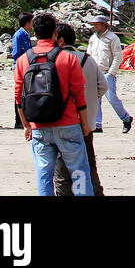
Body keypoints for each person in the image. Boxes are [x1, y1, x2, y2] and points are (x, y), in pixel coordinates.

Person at [14, 13, 93, 196]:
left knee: (44, 174)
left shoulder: (23, 61)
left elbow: (19, 98)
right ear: (55, 32)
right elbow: (78, 95)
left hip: (39, 126)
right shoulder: (68, 58)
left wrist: (26, 125)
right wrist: (85, 123)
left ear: (34, 33)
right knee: (79, 172)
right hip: (68, 124)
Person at [54, 24, 106, 197]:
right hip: (87, 122)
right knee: (89, 162)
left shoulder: (56, 60)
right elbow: (103, 86)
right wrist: (90, 99)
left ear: (60, 40)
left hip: (64, 122)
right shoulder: (88, 59)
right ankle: (96, 192)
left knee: (62, 164)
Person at [87, 15, 132, 134]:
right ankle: (97, 124)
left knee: (112, 98)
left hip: (107, 72)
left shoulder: (113, 38)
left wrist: (112, 73)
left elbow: (118, 56)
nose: (95, 26)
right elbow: (89, 54)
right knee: (95, 99)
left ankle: (126, 119)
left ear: (103, 25)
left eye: (97, 24)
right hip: (95, 71)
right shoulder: (93, 38)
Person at [11, 14, 33, 128]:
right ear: (27, 22)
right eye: (31, 21)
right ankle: (18, 121)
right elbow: (15, 53)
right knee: (19, 93)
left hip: (27, 67)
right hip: (21, 68)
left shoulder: (26, 34)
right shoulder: (19, 35)